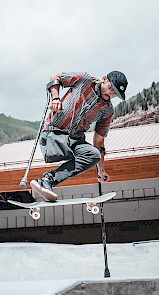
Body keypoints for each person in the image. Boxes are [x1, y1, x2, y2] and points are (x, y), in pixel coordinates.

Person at [30, 71, 128, 201]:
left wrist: (101, 170)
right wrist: (55, 98)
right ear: (104, 79)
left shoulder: (108, 111)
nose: (111, 94)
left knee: (94, 155)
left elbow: (99, 141)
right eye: (111, 88)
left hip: (76, 139)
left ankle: (47, 180)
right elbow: (56, 77)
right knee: (62, 148)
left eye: (115, 93)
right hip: (55, 132)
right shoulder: (85, 80)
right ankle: (46, 181)